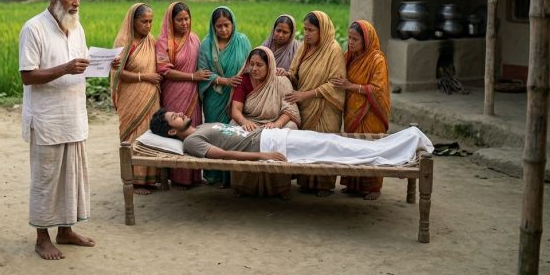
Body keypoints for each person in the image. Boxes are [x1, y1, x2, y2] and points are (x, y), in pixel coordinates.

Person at [19, 0, 95, 261]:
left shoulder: (77, 27)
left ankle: (66, 230)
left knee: (71, 177)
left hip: (74, 115)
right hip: (47, 118)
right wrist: (64, 68)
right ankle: (42, 238)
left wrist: (103, 63)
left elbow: (83, 62)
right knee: (46, 179)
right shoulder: (34, 28)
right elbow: (27, 76)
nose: (76, 2)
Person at [149, 109, 433, 166]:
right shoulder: (191, 142)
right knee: (331, 146)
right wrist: (262, 156)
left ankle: (400, 142)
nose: (180, 113)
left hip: (273, 135)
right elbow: (224, 155)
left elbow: (234, 134)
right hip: (270, 145)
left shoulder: (201, 126)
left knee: (331, 141)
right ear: (172, 130)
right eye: (174, 117)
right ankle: (401, 145)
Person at [285, 11, 346, 197]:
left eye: (311, 30)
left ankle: (324, 185)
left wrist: (306, 95)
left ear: (323, 30)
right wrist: (286, 75)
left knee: (325, 145)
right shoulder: (304, 47)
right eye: (304, 29)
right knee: (307, 144)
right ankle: (306, 181)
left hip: (326, 107)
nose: (306, 34)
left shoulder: (333, 50)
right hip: (305, 105)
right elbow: (295, 72)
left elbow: (335, 83)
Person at [331, 20, 391, 200]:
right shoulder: (348, 56)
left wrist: (350, 86)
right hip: (352, 110)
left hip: (371, 113)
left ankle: (373, 188)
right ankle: (353, 184)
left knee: (369, 147)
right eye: (349, 38)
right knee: (352, 146)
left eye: (355, 39)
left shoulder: (376, 59)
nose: (350, 42)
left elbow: (378, 89)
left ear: (366, 40)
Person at [229, 46, 300, 197]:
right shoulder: (244, 80)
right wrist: (244, 122)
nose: (254, 69)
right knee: (232, 127)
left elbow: (289, 110)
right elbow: (235, 110)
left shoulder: (281, 81)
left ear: (270, 66)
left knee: (291, 127)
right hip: (250, 120)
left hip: (274, 121)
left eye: (259, 65)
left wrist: (277, 124)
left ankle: (280, 188)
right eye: (251, 64)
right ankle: (243, 187)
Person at [155, 2, 211, 189]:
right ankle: (178, 177)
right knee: (175, 133)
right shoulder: (164, 42)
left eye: (187, 19)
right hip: (173, 93)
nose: (184, 23)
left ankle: (194, 175)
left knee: (192, 130)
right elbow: (164, 70)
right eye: (179, 20)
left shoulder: (194, 39)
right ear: (171, 21)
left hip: (193, 95)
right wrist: (192, 76)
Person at [111, 3, 162, 195]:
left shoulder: (151, 40)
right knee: (133, 135)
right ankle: (136, 181)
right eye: (144, 22)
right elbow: (117, 73)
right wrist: (144, 77)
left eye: (150, 22)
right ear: (133, 22)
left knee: (151, 133)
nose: (148, 26)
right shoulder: (124, 43)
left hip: (151, 96)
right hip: (131, 96)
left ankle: (150, 178)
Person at [197, 6, 251, 187]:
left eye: (227, 25)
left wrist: (239, 84)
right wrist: (225, 81)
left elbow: (250, 68)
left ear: (233, 23)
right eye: (219, 26)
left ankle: (232, 177)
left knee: (233, 134)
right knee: (215, 134)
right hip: (215, 97)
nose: (224, 30)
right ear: (213, 27)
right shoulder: (207, 44)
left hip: (237, 97)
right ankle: (215, 175)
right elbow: (203, 72)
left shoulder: (242, 41)